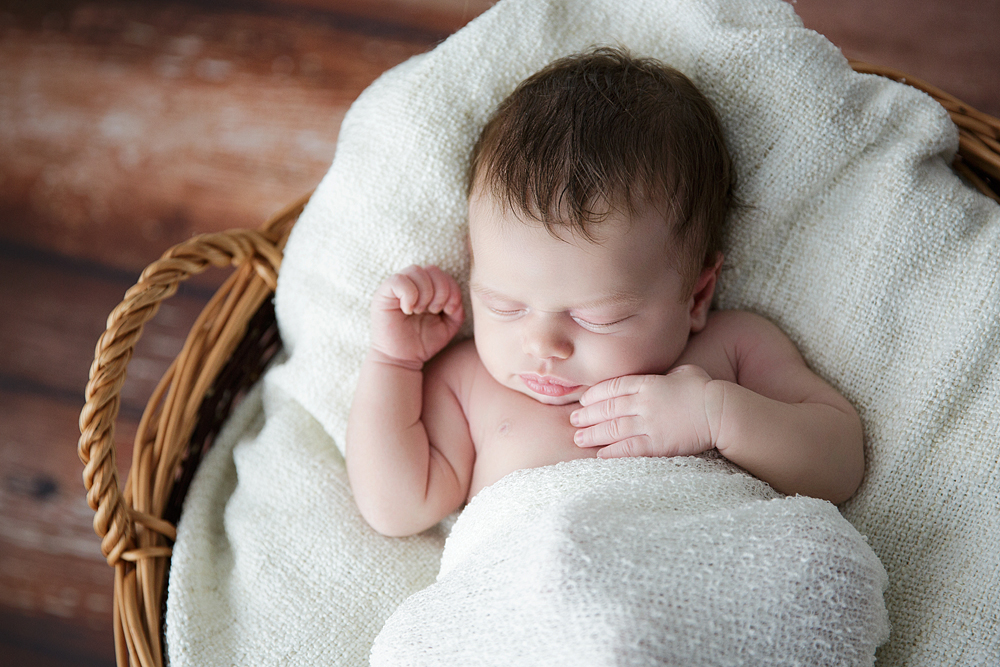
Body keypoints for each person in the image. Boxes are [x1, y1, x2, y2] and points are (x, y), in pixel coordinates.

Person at [346, 47, 864, 537]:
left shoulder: (732, 350)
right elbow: (396, 507)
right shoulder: (468, 385)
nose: (543, 343)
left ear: (697, 296)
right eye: (504, 305)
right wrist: (393, 363)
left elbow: (839, 464)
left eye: (597, 317)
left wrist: (718, 415)